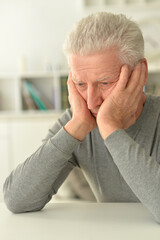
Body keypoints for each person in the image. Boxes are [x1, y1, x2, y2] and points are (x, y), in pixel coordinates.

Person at [3, 12, 160, 223]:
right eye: (80, 84)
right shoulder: (79, 119)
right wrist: (75, 127)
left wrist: (109, 127)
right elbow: (16, 200)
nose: (92, 101)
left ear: (138, 74)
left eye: (105, 83)